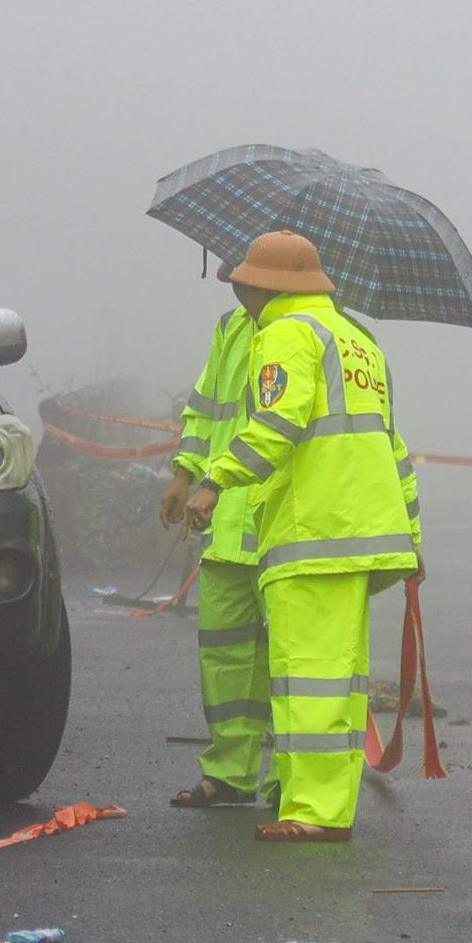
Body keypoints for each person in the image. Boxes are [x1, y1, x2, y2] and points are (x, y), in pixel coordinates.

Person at [184, 230, 422, 843]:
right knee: (338, 681)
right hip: (360, 533)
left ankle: (311, 812)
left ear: (262, 287)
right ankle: (318, 804)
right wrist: (412, 533)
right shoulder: (356, 342)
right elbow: (390, 444)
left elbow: (276, 423)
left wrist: (215, 479)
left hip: (312, 530)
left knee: (306, 675)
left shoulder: (284, 335)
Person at [161, 259, 274, 810]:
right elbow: (206, 410)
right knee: (226, 659)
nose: (230, 270)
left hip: (282, 529)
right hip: (228, 525)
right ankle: (230, 773)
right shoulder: (231, 328)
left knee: (289, 668)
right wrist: (184, 475)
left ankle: (292, 784)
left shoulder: (307, 335)